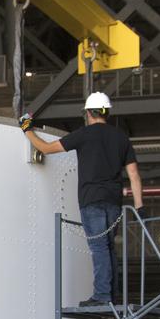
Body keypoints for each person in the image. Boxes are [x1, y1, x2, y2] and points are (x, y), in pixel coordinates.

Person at [21, 92, 144, 307]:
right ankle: (111, 294)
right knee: (108, 248)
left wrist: (27, 130)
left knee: (99, 248)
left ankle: (102, 296)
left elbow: (46, 149)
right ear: (107, 112)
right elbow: (134, 175)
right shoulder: (121, 138)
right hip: (114, 202)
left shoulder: (84, 135)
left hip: (92, 200)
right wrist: (139, 207)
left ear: (88, 113)